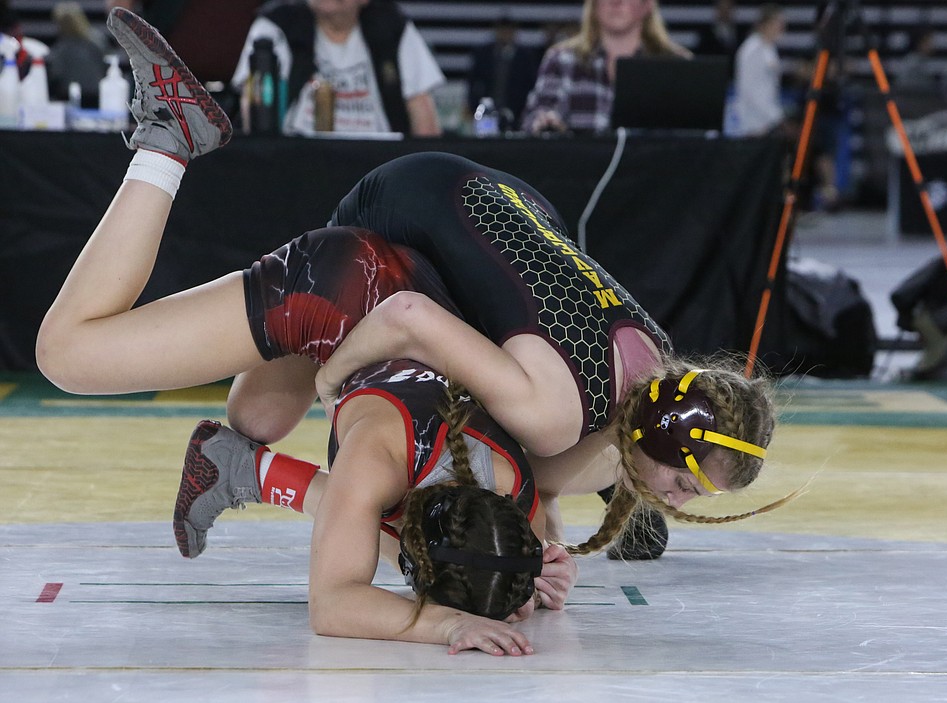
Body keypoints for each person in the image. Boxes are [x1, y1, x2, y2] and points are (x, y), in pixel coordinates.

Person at [35, 8, 573, 656]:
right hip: (346, 291)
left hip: (404, 291)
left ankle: (244, 463)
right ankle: (167, 138)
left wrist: (529, 562)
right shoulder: (377, 466)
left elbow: (539, 516)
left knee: (254, 416)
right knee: (68, 354)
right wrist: (446, 623)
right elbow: (335, 603)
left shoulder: (515, 485)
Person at [312, 153, 800, 558]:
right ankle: (251, 469)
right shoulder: (553, 414)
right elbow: (408, 316)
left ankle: (623, 483)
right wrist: (329, 382)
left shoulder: (657, 360)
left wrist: (545, 554)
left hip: (507, 203)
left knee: (522, 458)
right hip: (401, 201)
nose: (675, 502)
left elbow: (536, 484)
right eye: (684, 486)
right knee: (261, 416)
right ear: (669, 433)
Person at [230, 0, 443, 137]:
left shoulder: (393, 27)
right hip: (295, 163)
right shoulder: (277, 24)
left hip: (379, 167)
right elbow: (253, 107)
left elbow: (422, 111)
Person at [520, 0, 690, 135]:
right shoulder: (562, 60)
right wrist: (544, 122)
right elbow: (534, 117)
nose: (616, 2)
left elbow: (699, 137)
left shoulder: (677, 64)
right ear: (593, 5)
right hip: (580, 173)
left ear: (647, 4)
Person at [467, 13, 540, 133]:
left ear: (514, 32)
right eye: (502, 30)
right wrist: (473, 106)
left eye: (508, 30)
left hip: (517, 111)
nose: (505, 34)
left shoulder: (525, 56)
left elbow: (531, 84)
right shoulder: (483, 53)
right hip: (487, 111)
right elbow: (472, 81)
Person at [733, 4, 786, 138]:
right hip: (753, 124)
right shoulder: (752, 50)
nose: (781, 29)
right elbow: (748, 89)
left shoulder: (770, 49)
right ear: (765, 24)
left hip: (767, 122)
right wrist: (775, 116)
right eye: (778, 24)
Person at [46, 2, 106, 104]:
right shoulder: (98, 40)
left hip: (68, 98)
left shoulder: (61, 49)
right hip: (97, 96)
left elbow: (56, 73)